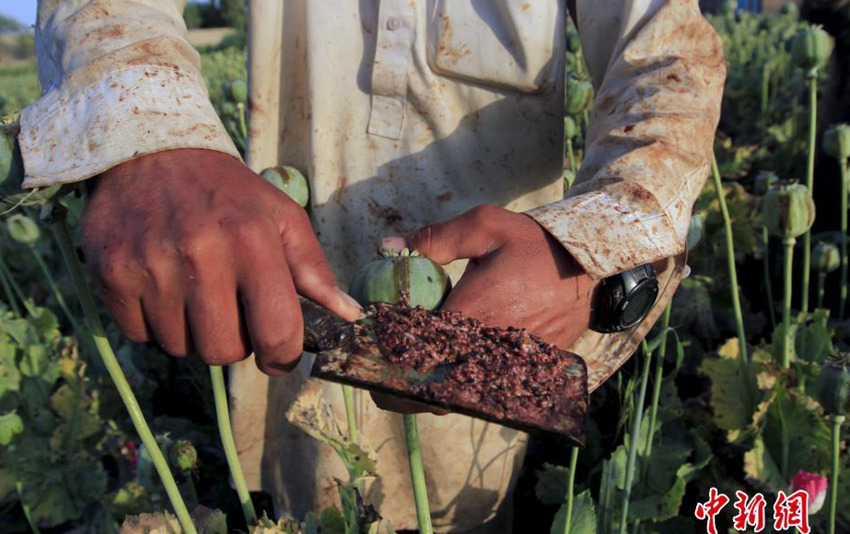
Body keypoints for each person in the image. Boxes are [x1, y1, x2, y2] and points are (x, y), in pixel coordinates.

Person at [19, 0, 724, 531]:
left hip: (496, 319)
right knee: (308, 492)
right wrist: (149, 130)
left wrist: (590, 246)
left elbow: (668, 55)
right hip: (278, 317)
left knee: (464, 498)